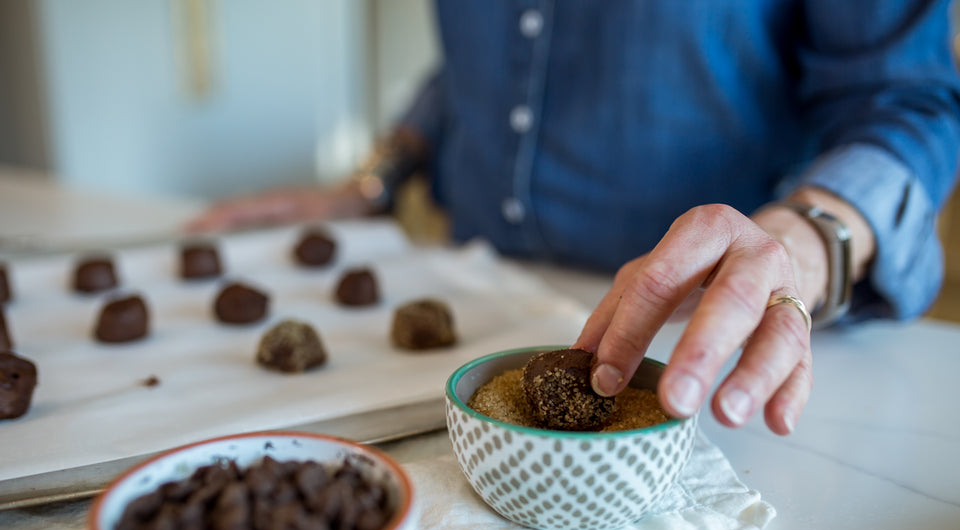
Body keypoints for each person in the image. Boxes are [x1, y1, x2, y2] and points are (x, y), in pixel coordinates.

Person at [190, 1, 960, 436]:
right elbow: (474, 67)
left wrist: (805, 238)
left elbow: (906, 100)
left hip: (717, 356)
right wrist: (372, 182)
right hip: (469, 311)